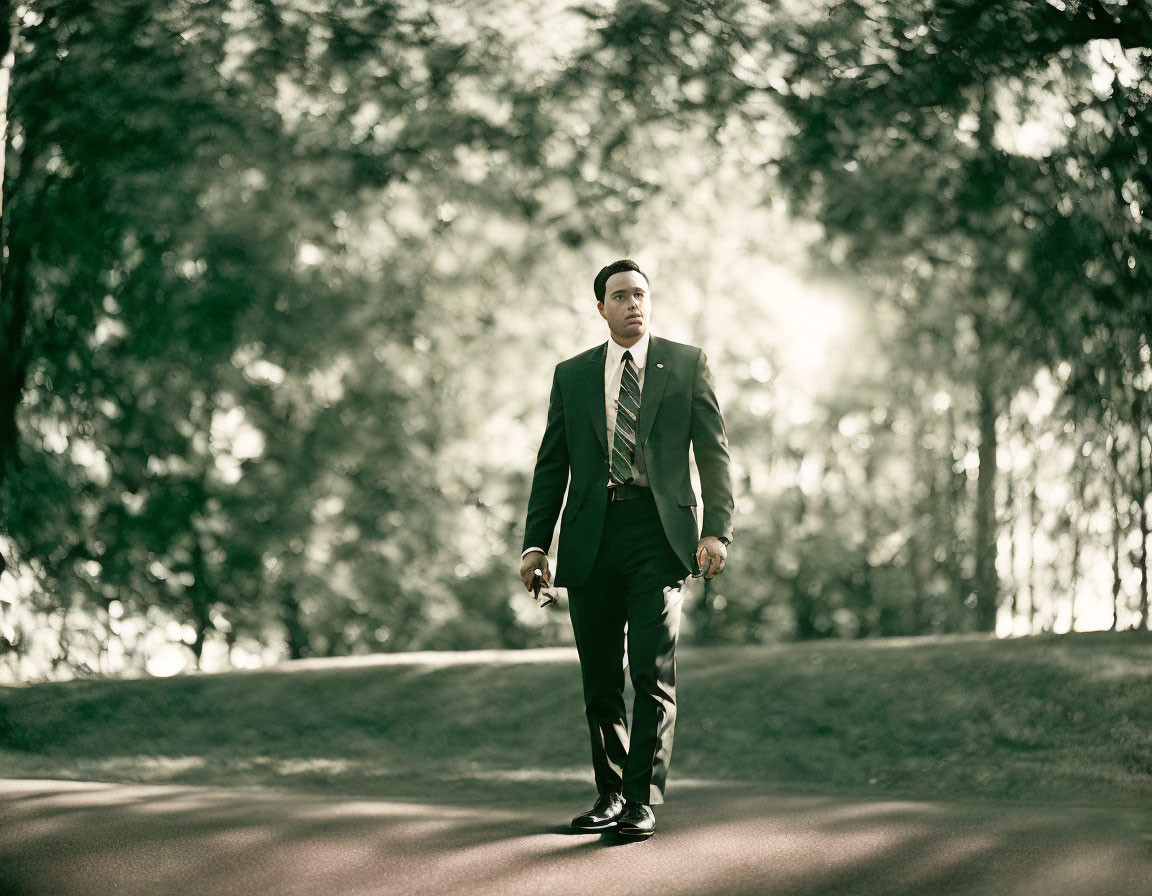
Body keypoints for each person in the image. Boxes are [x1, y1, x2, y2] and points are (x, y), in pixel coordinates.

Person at [519, 258, 734, 839]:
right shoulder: (572, 375)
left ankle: (642, 799)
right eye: (621, 296)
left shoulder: (686, 364)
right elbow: (551, 465)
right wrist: (535, 544)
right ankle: (609, 794)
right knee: (600, 679)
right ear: (601, 308)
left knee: (651, 669)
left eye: (641, 294)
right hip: (590, 538)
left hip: (659, 536)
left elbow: (713, 454)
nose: (633, 303)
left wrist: (717, 530)